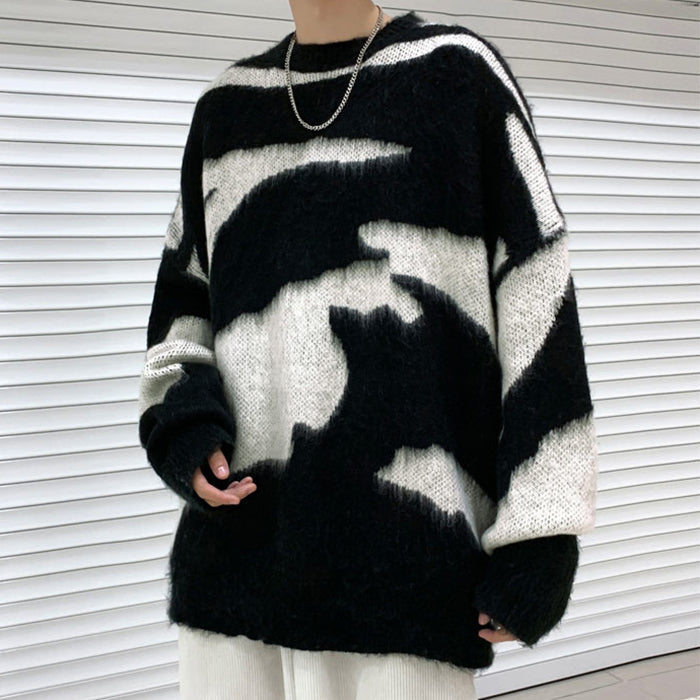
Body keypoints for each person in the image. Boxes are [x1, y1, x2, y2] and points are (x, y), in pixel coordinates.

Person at [137, 2, 599, 698]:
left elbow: (539, 301)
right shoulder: (226, 110)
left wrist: (541, 533)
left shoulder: (457, 77)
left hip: (406, 569)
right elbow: (183, 308)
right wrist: (185, 425)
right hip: (236, 569)